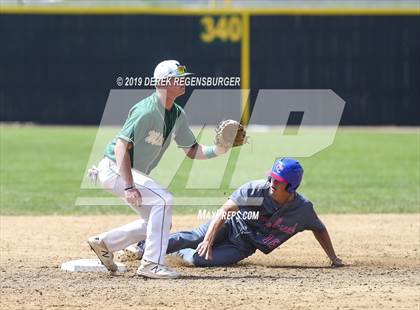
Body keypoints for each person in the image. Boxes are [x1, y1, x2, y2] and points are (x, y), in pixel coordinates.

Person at [87, 60, 232, 279]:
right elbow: (120, 147)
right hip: (114, 168)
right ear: (164, 82)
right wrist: (129, 186)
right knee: (163, 200)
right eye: (178, 78)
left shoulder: (177, 113)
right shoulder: (146, 110)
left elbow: (192, 150)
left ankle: (105, 242)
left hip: (128, 172)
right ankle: (151, 265)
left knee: (158, 221)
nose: (184, 81)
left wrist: (220, 149)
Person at [134, 157, 344, 268]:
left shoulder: (303, 210)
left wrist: (333, 258)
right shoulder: (255, 189)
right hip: (229, 224)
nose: (272, 183)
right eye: (272, 177)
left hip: (244, 246)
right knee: (196, 237)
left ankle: (175, 251)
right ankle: (142, 248)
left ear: (291, 187)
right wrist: (208, 239)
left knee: (199, 261)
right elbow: (224, 211)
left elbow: (319, 228)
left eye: (278, 182)